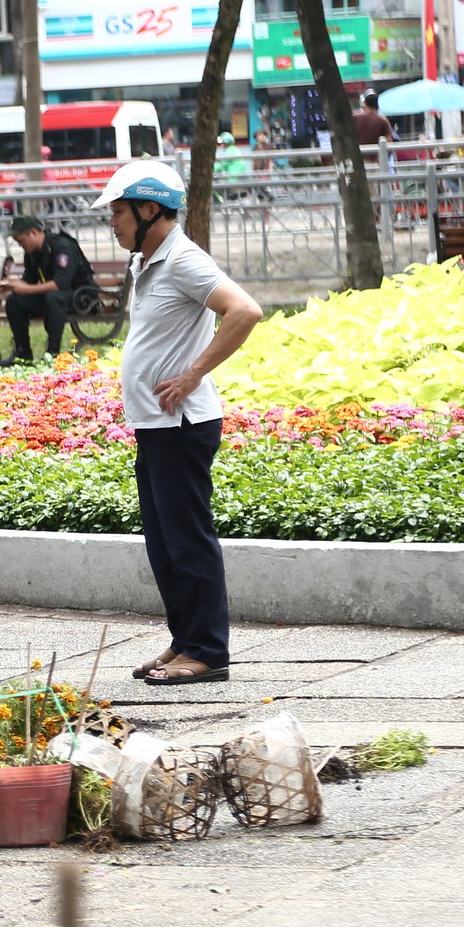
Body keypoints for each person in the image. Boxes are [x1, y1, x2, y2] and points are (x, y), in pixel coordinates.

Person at [91, 161, 261, 687]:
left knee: (188, 541)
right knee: (164, 544)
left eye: (118, 212)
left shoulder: (184, 259)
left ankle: (208, 651)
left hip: (183, 425)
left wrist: (192, 375)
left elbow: (245, 311)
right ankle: (185, 640)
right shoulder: (148, 260)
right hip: (156, 426)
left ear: (148, 209)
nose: (112, 223)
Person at [0, 214, 86, 362]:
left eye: (21, 241)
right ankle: (22, 353)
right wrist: (12, 286)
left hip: (81, 296)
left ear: (33, 232)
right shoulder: (32, 253)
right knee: (15, 300)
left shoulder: (61, 246)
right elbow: (29, 281)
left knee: (53, 297)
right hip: (55, 298)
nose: (20, 245)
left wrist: (27, 289)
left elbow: (61, 283)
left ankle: (52, 354)